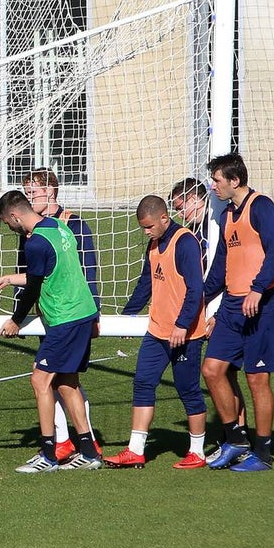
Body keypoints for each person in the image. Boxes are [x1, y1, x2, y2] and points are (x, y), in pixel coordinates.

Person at [0, 190, 102, 473]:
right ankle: (89, 452)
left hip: (65, 318)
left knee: (40, 381)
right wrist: (8, 279)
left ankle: (49, 454)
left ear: (14, 216)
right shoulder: (58, 227)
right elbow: (47, 271)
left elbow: (34, 287)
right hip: (83, 313)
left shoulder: (35, 243)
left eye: (7, 223)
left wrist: (16, 320)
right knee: (66, 382)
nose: (10, 228)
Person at [104, 195, 208, 470]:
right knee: (143, 383)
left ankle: (197, 451)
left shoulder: (185, 242)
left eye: (149, 226)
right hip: (157, 331)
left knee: (188, 390)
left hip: (185, 334)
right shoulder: (154, 244)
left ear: (164, 218)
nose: (146, 231)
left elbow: (196, 289)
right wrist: (127, 316)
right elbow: (146, 282)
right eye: (143, 227)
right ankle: (135, 450)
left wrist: (183, 325)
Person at [201, 152, 274, 472]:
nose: (213, 186)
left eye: (217, 180)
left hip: (263, 305)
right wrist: (199, 299)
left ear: (235, 180)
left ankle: (262, 454)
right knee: (212, 370)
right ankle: (236, 439)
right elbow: (221, 265)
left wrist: (257, 287)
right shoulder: (226, 215)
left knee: (256, 380)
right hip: (233, 306)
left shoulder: (261, 206)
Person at [21, 167, 100, 461]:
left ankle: (72, 443)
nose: (30, 198)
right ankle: (71, 442)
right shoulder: (31, 228)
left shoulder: (72, 224)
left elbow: (88, 270)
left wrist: (96, 313)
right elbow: (31, 274)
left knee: (64, 380)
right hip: (49, 313)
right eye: (26, 193)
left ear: (51, 191)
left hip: (70, 315)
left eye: (34, 192)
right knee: (60, 380)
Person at [171, 175, 249, 428]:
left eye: (181, 207)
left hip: (227, 307)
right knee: (223, 374)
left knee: (223, 372)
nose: (180, 215)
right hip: (209, 305)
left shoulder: (217, 222)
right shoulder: (194, 230)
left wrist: (218, 311)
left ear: (195, 199)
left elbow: (231, 271)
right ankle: (237, 436)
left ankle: (239, 436)